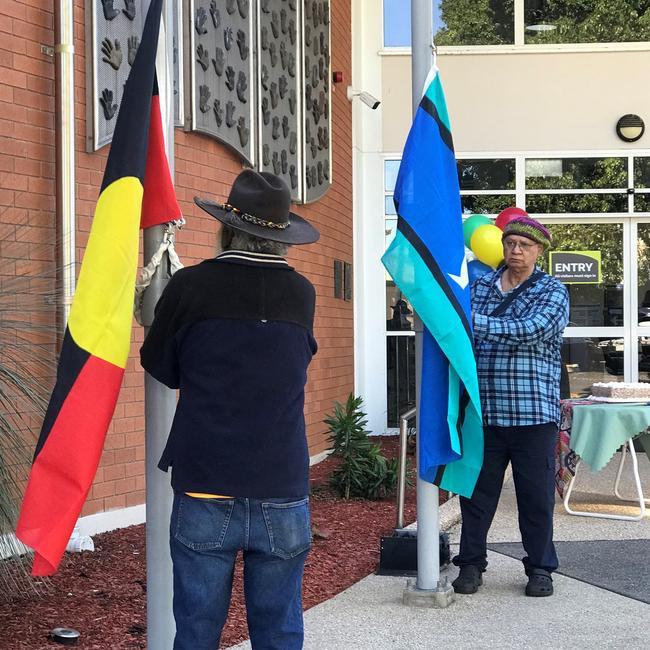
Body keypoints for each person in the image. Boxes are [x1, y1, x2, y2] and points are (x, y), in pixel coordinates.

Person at [140, 170, 320, 649]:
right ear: (281, 236)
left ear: (227, 227)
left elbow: (159, 363)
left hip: (206, 477)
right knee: (279, 629)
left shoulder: (190, 286)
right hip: (281, 479)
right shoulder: (302, 293)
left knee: (197, 629)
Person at [452, 215, 569, 598]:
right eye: (510, 243)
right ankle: (470, 565)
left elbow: (532, 330)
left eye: (525, 246)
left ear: (539, 251)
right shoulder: (480, 285)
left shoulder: (553, 291)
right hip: (484, 413)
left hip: (534, 415)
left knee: (535, 498)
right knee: (475, 496)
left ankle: (540, 569)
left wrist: (470, 322)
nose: (516, 251)